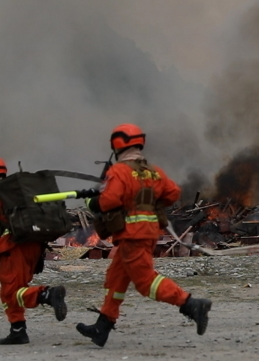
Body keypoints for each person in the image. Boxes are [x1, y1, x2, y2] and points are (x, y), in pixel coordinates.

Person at [77, 124, 212, 347]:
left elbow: (109, 201)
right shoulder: (153, 171)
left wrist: (92, 203)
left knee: (145, 281)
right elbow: (173, 193)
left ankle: (190, 304)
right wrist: (150, 200)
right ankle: (103, 326)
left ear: (117, 145)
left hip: (132, 234)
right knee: (116, 278)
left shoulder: (119, 171)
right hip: (147, 232)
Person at [0, 158, 67, 344]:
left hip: (13, 248)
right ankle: (18, 330)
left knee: (11, 293)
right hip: (34, 245)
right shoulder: (16, 191)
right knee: (12, 291)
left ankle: (46, 294)